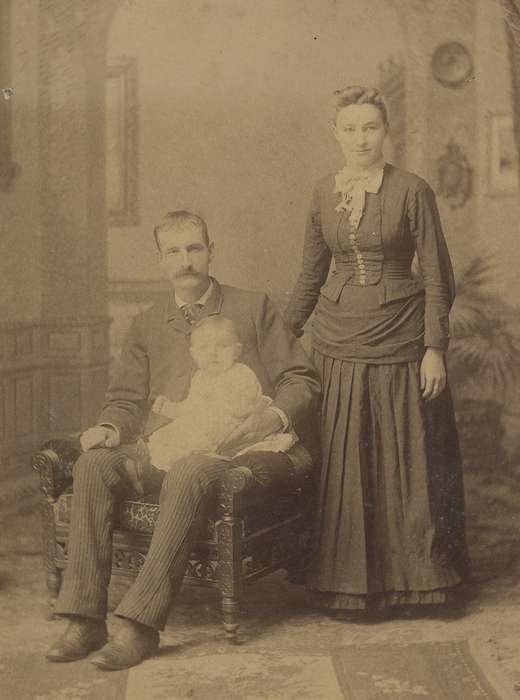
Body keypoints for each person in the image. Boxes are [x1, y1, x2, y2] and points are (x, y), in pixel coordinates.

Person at [46, 210, 320, 670]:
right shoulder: (147, 323)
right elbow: (125, 400)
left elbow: (300, 380)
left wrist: (269, 417)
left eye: (194, 248)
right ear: (160, 262)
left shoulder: (254, 307)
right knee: (93, 464)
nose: (185, 260)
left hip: (233, 449)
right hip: (169, 444)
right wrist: (110, 428)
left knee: (191, 470)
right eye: (173, 252)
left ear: (211, 252)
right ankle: (85, 618)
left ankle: (140, 625)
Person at [284, 86, 468, 614]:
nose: (360, 138)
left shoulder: (412, 190)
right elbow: (310, 274)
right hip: (336, 338)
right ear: (335, 133)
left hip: (401, 336)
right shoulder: (323, 192)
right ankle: (345, 583)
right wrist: (282, 335)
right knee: (344, 462)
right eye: (350, 128)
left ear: (386, 132)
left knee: (401, 458)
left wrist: (435, 348)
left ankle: (415, 581)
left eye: (370, 127)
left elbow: (437, 275)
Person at [145, 315, 297, 470]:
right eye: (204, 347)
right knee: (168, 437)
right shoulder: (200, 377)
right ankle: (158, 469)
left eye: (223, 346)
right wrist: (170, 409)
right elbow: (190, 407)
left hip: (231, 427)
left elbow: (245, 408)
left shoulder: (241, 373)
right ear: (194, 354)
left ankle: (190, 464)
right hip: (203, 424)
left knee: (198, 439)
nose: (213, 353)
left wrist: (211, 410)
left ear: (237, 350)